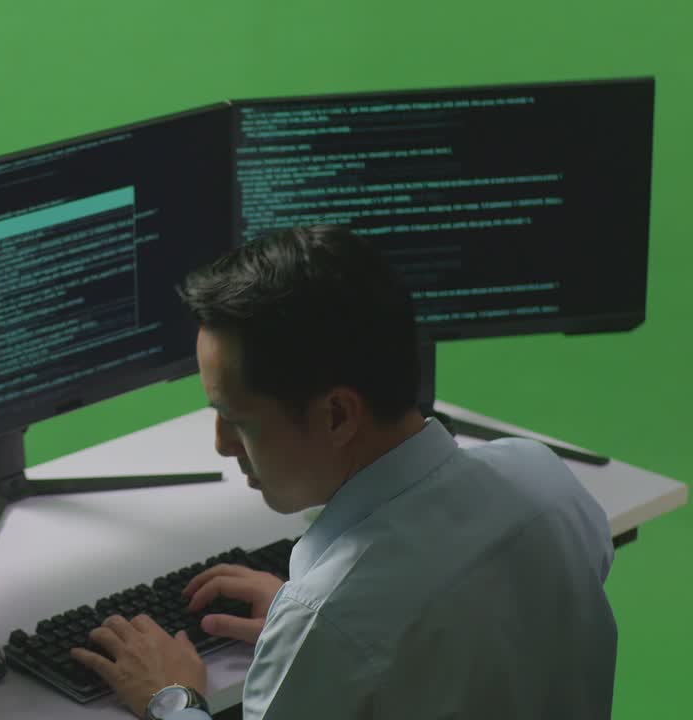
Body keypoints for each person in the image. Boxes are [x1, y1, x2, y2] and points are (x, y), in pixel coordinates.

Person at [69, 225, 617, 719]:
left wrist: (173, 698)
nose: (220, 443)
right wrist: (314, 640)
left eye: (237, 420)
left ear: (336, 416)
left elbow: (368, 618)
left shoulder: (332, 622)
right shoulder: (544, 480)